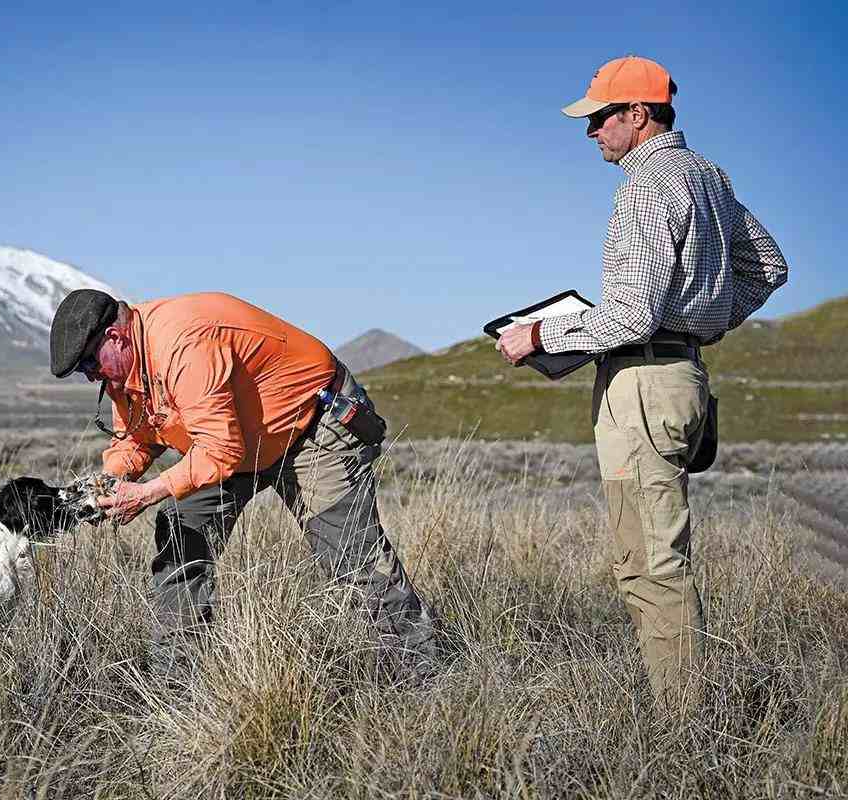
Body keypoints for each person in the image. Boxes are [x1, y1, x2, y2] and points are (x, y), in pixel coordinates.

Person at [497, 56, 788, 710]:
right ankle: (686, 707)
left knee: (650, 567)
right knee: (663, 553)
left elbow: (631, 314)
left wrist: (540, 336)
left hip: (644, 387)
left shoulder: (646, 187)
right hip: (682, 379)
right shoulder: (707, 176)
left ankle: (685, 731)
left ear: (638, 114)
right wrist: (705, 321)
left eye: (599, 117)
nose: (591, 131)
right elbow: (768, 267)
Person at [50, 289, 439, 674]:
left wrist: (147, 493)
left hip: (311, 425)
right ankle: (176, 682)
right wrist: (109, 485)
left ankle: (423, 674)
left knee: (351, 555)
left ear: (114, 338)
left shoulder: (182, 344)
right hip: (237, 444)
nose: (91, 378)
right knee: (180, 529)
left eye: (89, 365)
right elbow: (136, 438)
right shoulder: (126, 369)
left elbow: (219, 451)